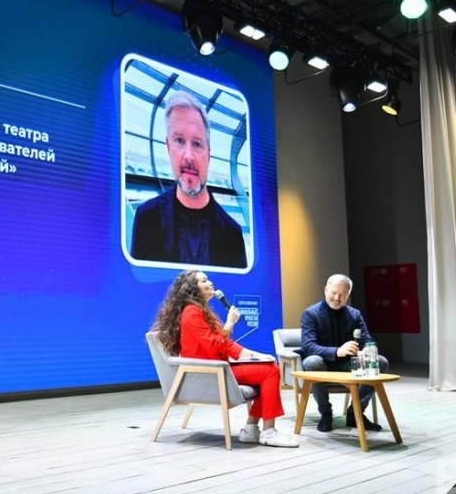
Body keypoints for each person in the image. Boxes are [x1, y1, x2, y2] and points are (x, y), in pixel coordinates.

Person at [153, 269, 298, 447]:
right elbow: (214, 345)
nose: (210, 283)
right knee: (270, 371)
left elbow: (226, 345)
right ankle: (267, 431)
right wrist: (229, 323)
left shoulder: (201, 311)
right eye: (204, 281)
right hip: (209, 373)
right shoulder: (191, 313)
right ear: (192, 288)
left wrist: (256, 355)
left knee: (269, 367)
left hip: (219, 368)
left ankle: (251, 429)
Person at [131, 91, 247, 268]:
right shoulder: (147, 219)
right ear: (168, 147)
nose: (188, 156)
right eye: (179, 140)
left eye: (197, 144)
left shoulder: (232, 234)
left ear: (209, 154)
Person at [300, 274, 390, 432]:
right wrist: (337, 351)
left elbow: (367, 340)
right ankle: (326, 413)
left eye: (343, 294)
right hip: (322, 362)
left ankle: (355, 413)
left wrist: (366, 350)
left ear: (348, 295)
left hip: (348, 363)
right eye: (334, 293)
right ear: (326, 290)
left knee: (380, 361)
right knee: (313, 361)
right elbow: (308, 346)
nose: (337, 298)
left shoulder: (354, 314)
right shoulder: (311, 313)